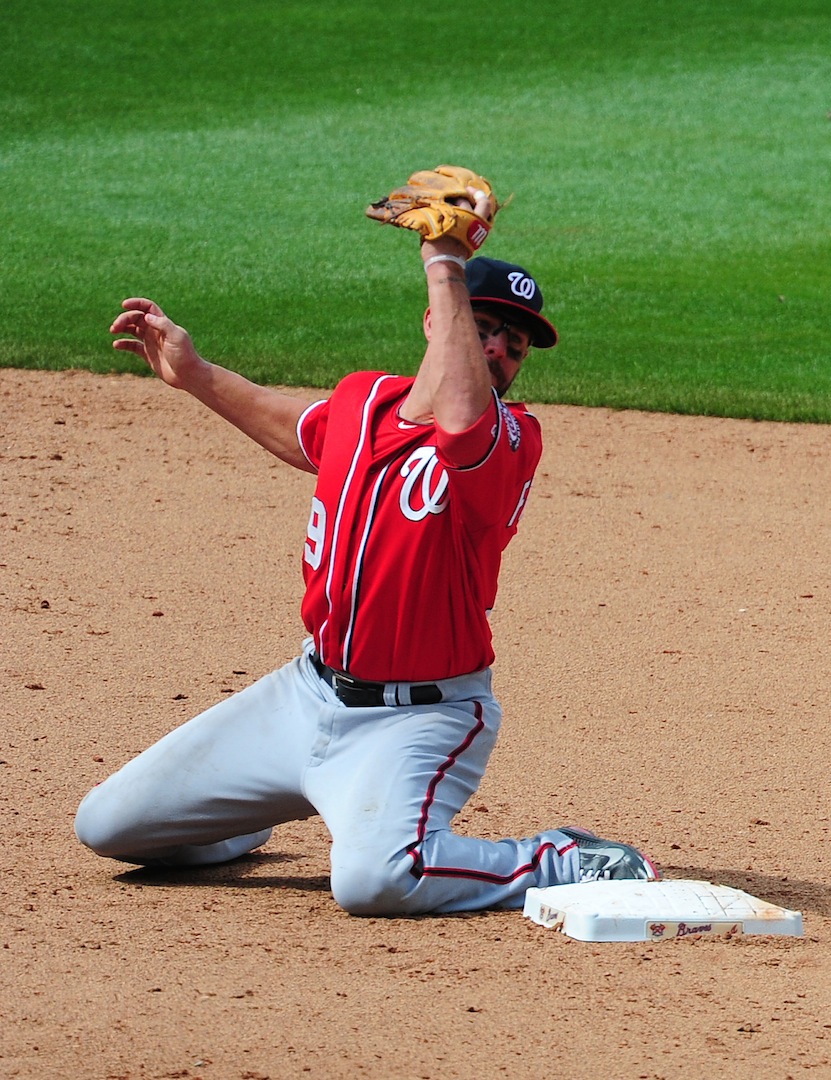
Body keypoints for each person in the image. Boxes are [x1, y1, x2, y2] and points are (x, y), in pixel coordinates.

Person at [74, 185, 658, 915]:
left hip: (419, 718)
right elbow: (296, 429)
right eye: (485, 329)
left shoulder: (510, 440)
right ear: (436, 325)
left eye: (514, 346)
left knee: (376, 880)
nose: (501, 351)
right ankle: (242, 820)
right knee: (105, 826)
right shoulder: (363, 402)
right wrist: (197, 375)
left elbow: (461, 419)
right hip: (305, 693)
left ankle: (559, 859)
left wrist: (444, 260)